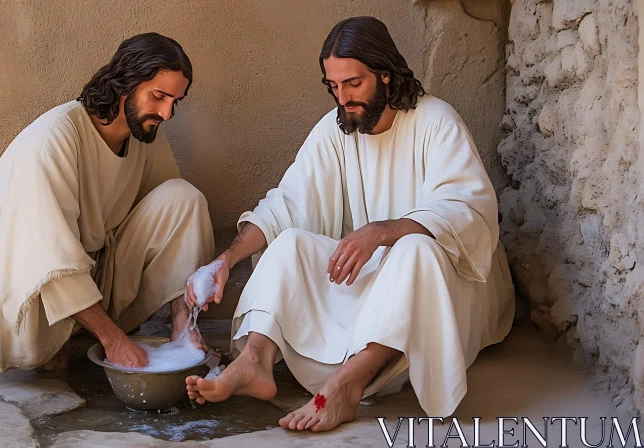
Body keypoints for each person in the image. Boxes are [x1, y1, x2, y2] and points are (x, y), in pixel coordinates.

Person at [184, 16, 515, 432]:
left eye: (353, 84)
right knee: (289, 243)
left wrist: (381, 231)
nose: (343, 98)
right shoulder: (337, 129)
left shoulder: (436, 121)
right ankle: (255, 361)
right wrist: (225, 261)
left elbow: (467, 211)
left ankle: (346, 386)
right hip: (375, 276)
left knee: (415, 251)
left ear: (386, 74)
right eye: (333, 86)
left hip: (445, 283)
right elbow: (286, 204)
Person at [0, 32, 213, 373]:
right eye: (158, 97)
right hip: (14, 274)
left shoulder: (145, 136)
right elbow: (45, 254)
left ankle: (173, 329)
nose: (166, 113)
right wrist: (114, 340)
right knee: (48, 340)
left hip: (92, 266)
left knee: (185, 199)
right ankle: (74, 338)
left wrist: (183, 317)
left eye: (174, 102)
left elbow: (175, 220)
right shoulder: (54, 139)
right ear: (126, 83)